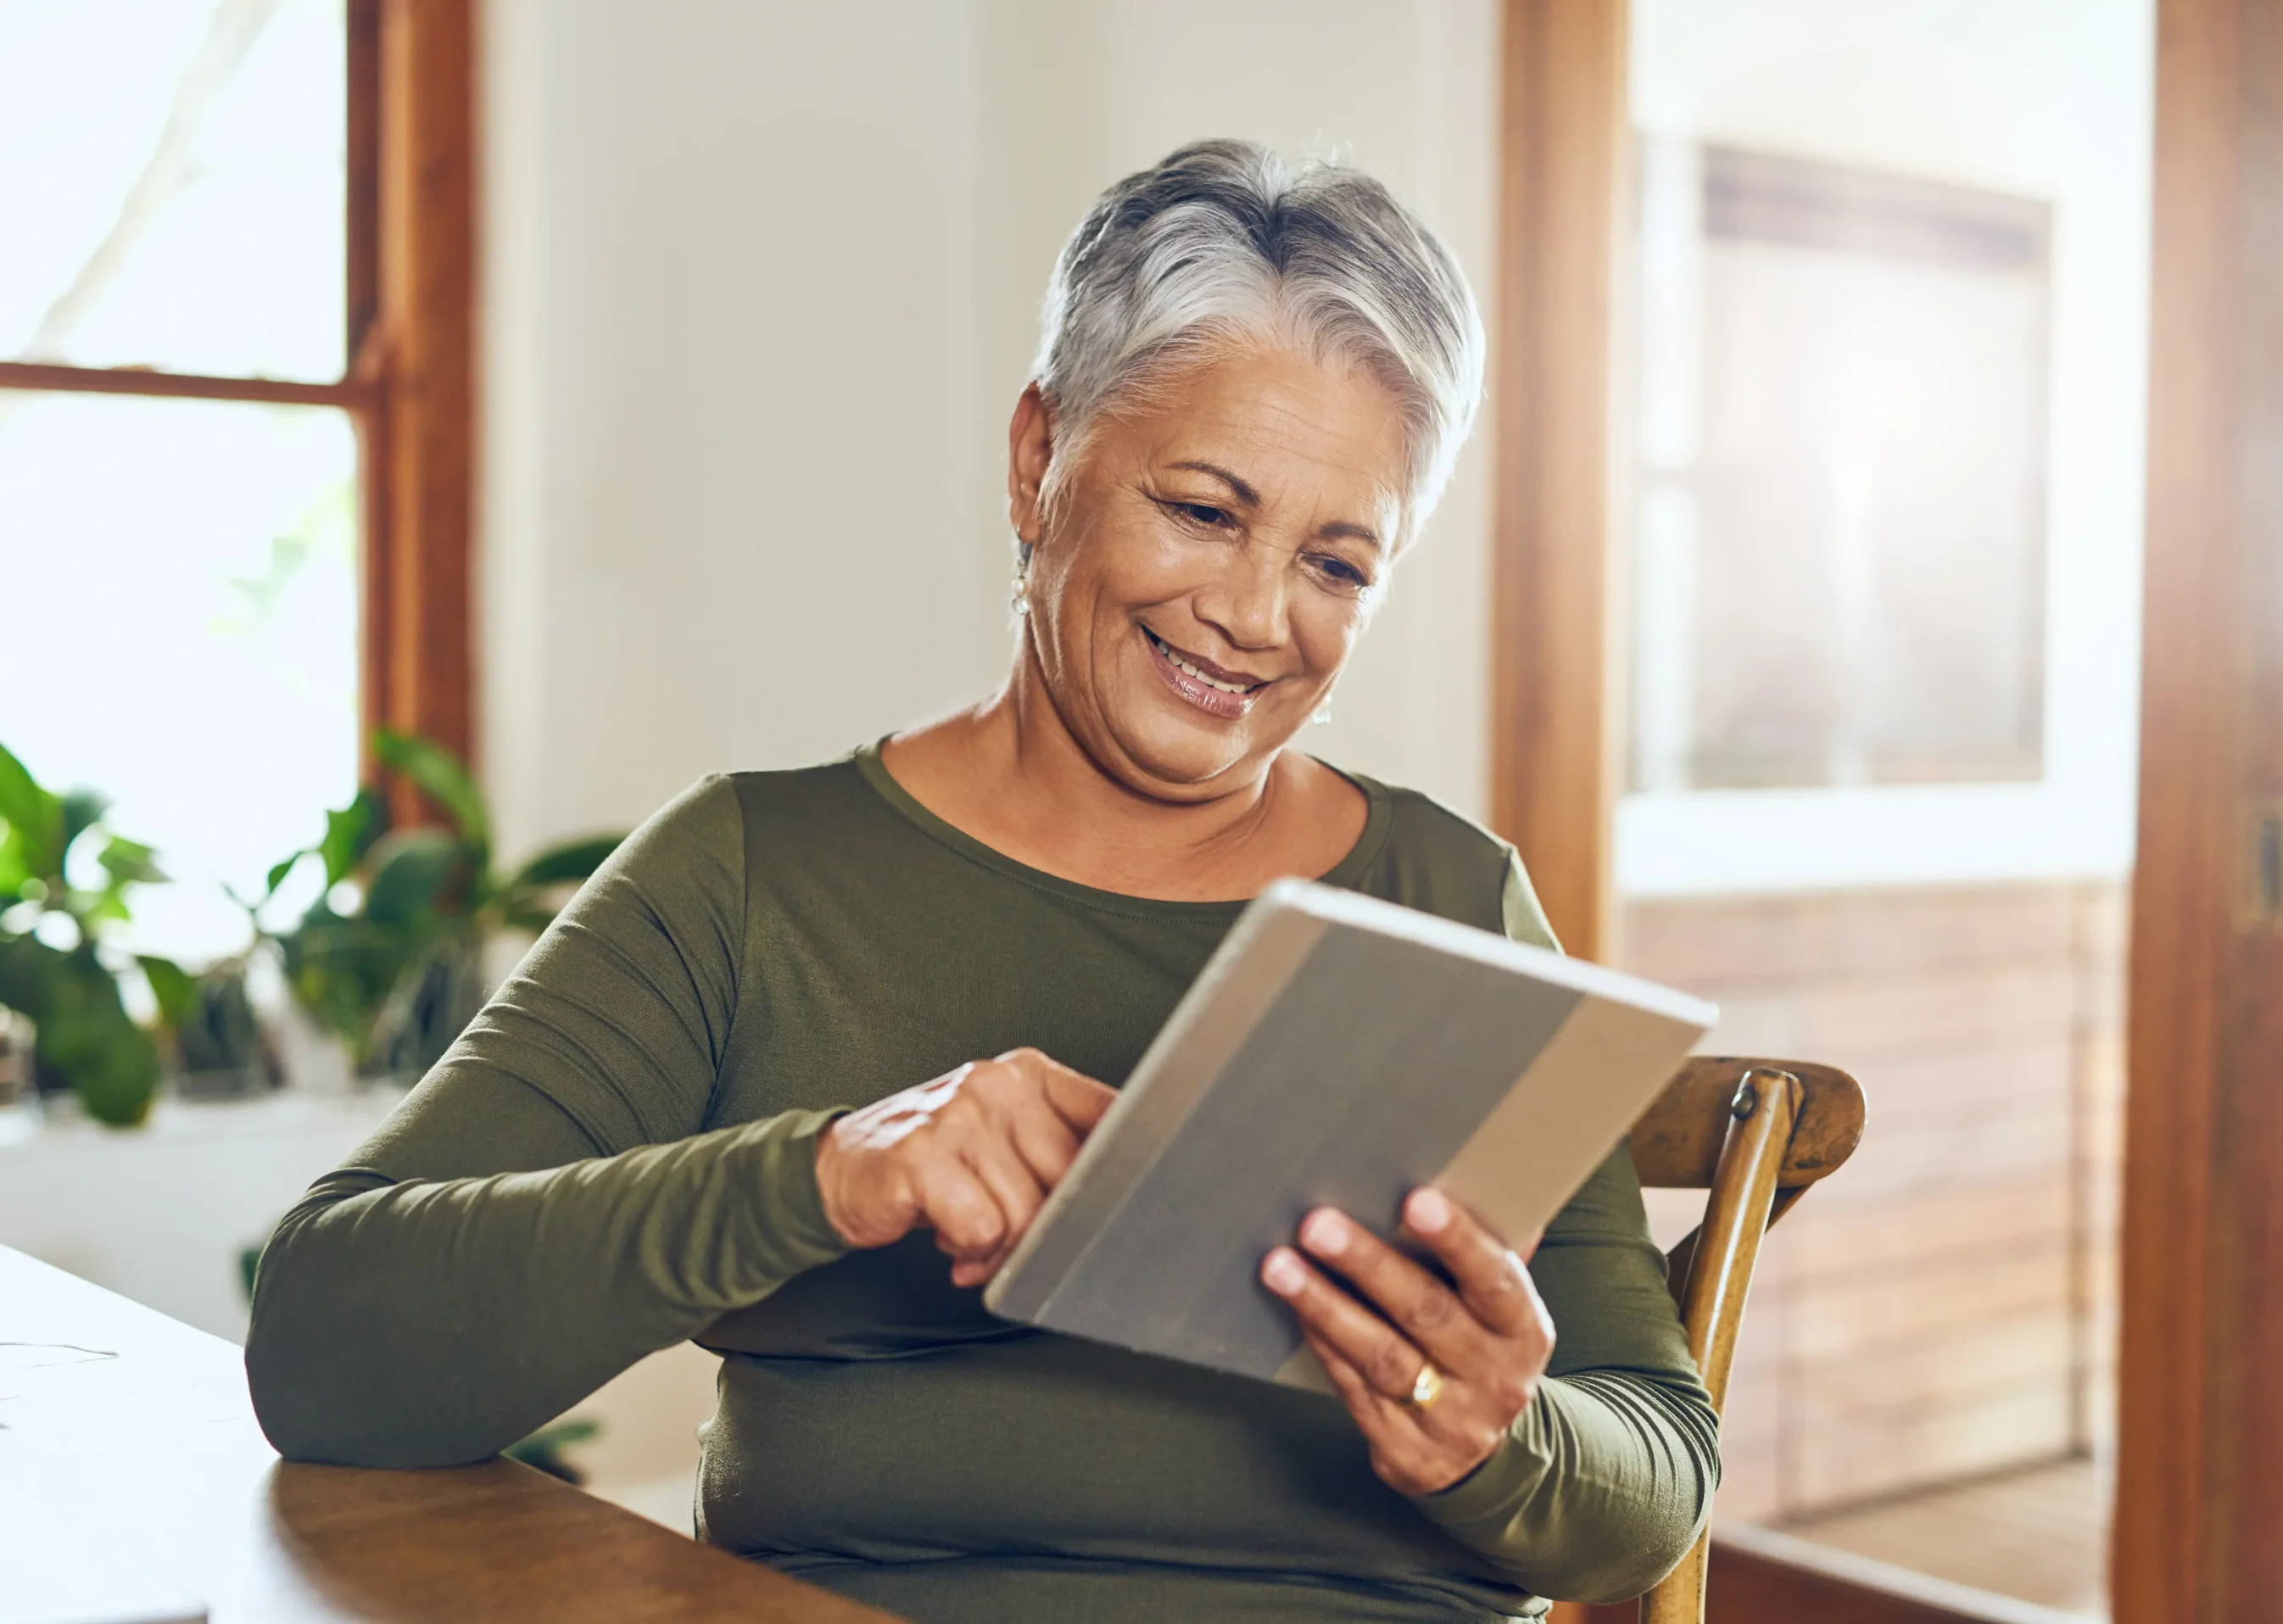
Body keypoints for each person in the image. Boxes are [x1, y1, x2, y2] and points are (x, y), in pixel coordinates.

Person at [245, 140, 1717, 1623]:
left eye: (1338, 566)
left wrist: (1498, 1439)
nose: (1257, 616)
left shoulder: (1451, 897)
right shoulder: (756, 876)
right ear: (1039, 456)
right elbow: (323, 1344)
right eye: (1205, 510)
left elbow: (1651, 1476)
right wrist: (822, 1172)